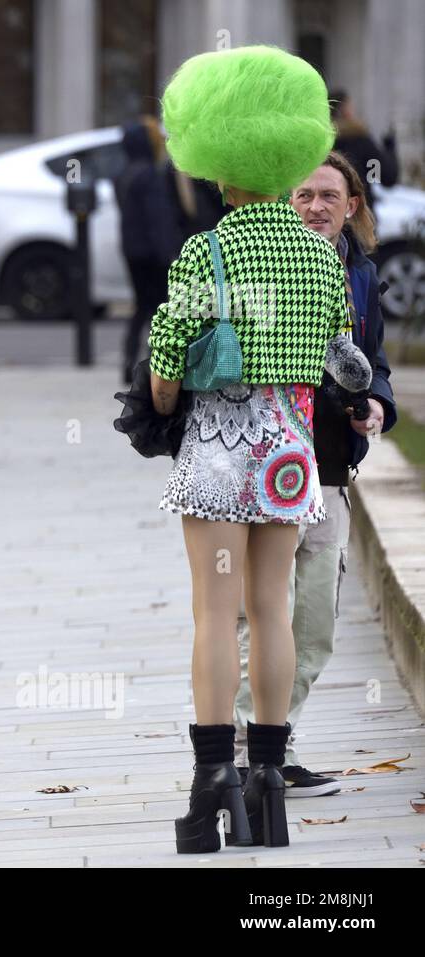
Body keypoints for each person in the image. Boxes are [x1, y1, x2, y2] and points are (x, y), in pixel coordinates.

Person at [146, 46, 352, 852]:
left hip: (222, 446)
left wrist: (163, 404)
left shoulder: (212, 250)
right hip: (290, 450)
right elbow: (342, 352)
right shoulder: (315, 252)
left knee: (213, 611)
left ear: (218, 162)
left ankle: (211, 786)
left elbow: (167, 357)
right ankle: (269, 780)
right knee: (272, 609)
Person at [233, 150, 397, 796]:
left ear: (351, 205)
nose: (316, 207)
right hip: (265, 473)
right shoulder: (266, 266)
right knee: (259, 616)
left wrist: (377, 401)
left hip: (328, 471)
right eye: (303, 195)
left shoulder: (361, 274)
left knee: (315, 626)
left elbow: (373, 360)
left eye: (329, 195)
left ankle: (277, 743)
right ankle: (252, 752)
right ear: (285, 202)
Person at [116, 116, 181, 383]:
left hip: (133, 251)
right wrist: (171, 254)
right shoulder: (149, 175)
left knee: (141, 308)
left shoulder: (125, 172)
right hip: (153, 255)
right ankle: (152, 364)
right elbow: (158, 219)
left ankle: (129, 360)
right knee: (157, 310)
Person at [329, 89, 399, 210]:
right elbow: (387, 177)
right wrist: (390, 148)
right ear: (345, 111)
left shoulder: (320, 143)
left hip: (325, 218)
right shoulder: (359, 139)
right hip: (359, 218)